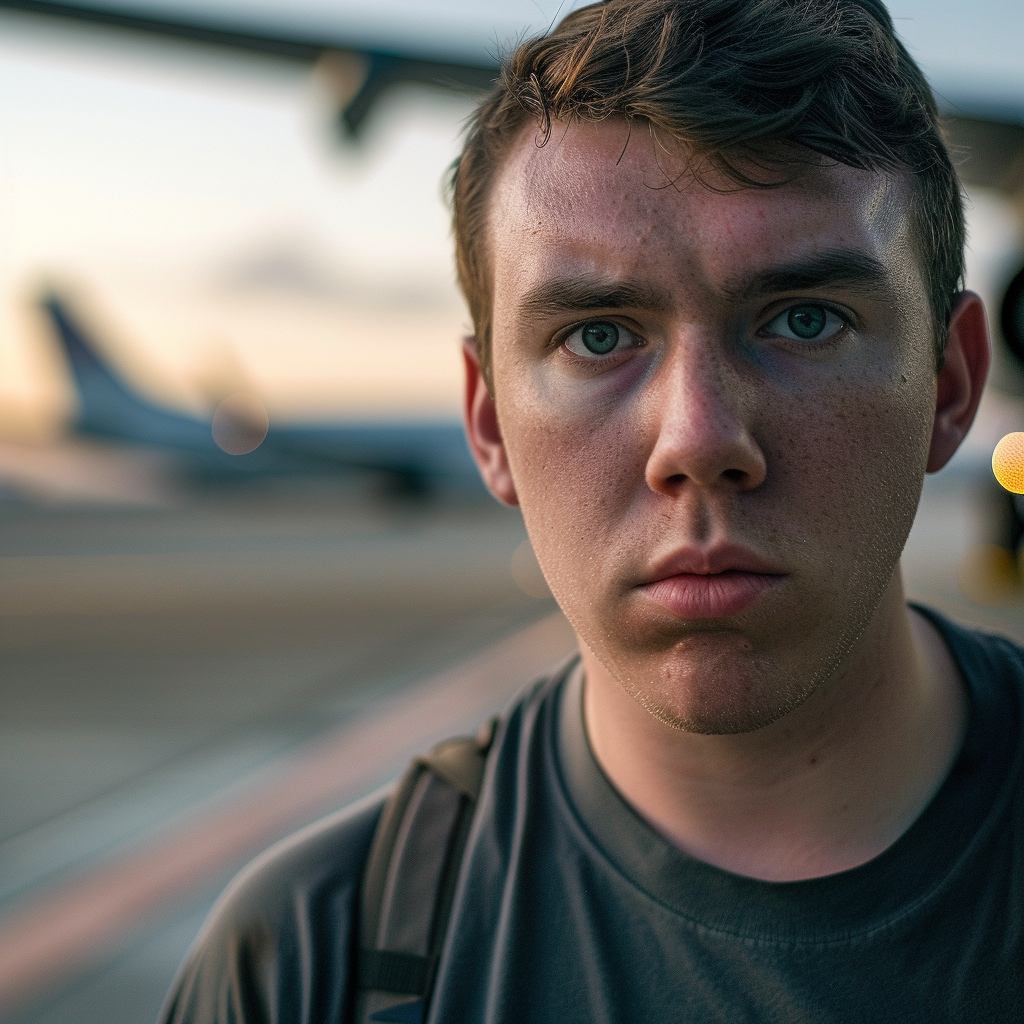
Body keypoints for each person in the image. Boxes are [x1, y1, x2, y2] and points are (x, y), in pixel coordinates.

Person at [159, 1, 1023, 1020]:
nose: (697, 440)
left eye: (804, 319)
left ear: (953, 384)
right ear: (487, 421)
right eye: (598, 338)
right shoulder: (308, 959)